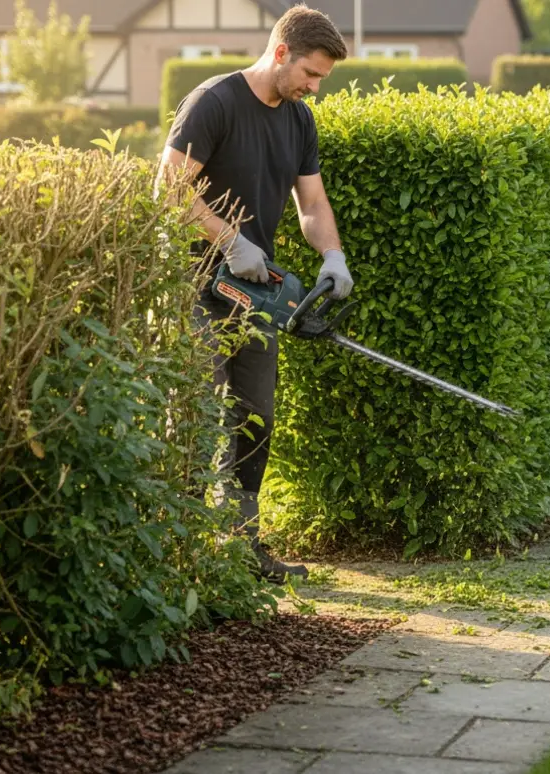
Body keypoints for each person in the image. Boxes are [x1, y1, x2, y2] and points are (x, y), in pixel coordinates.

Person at [153, 4, 352, 582]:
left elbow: (311, 204)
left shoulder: (298, 121)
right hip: (195, 282)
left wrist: (331, 255)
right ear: (282, 52)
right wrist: (230, 239)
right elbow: (167, 187)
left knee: (255, 419)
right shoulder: (214, 102)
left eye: (322, 80)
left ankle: (241, 549)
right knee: (193, 418)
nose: (314, 88)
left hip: (253, 292)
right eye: (311, 75)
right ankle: (175, 556)